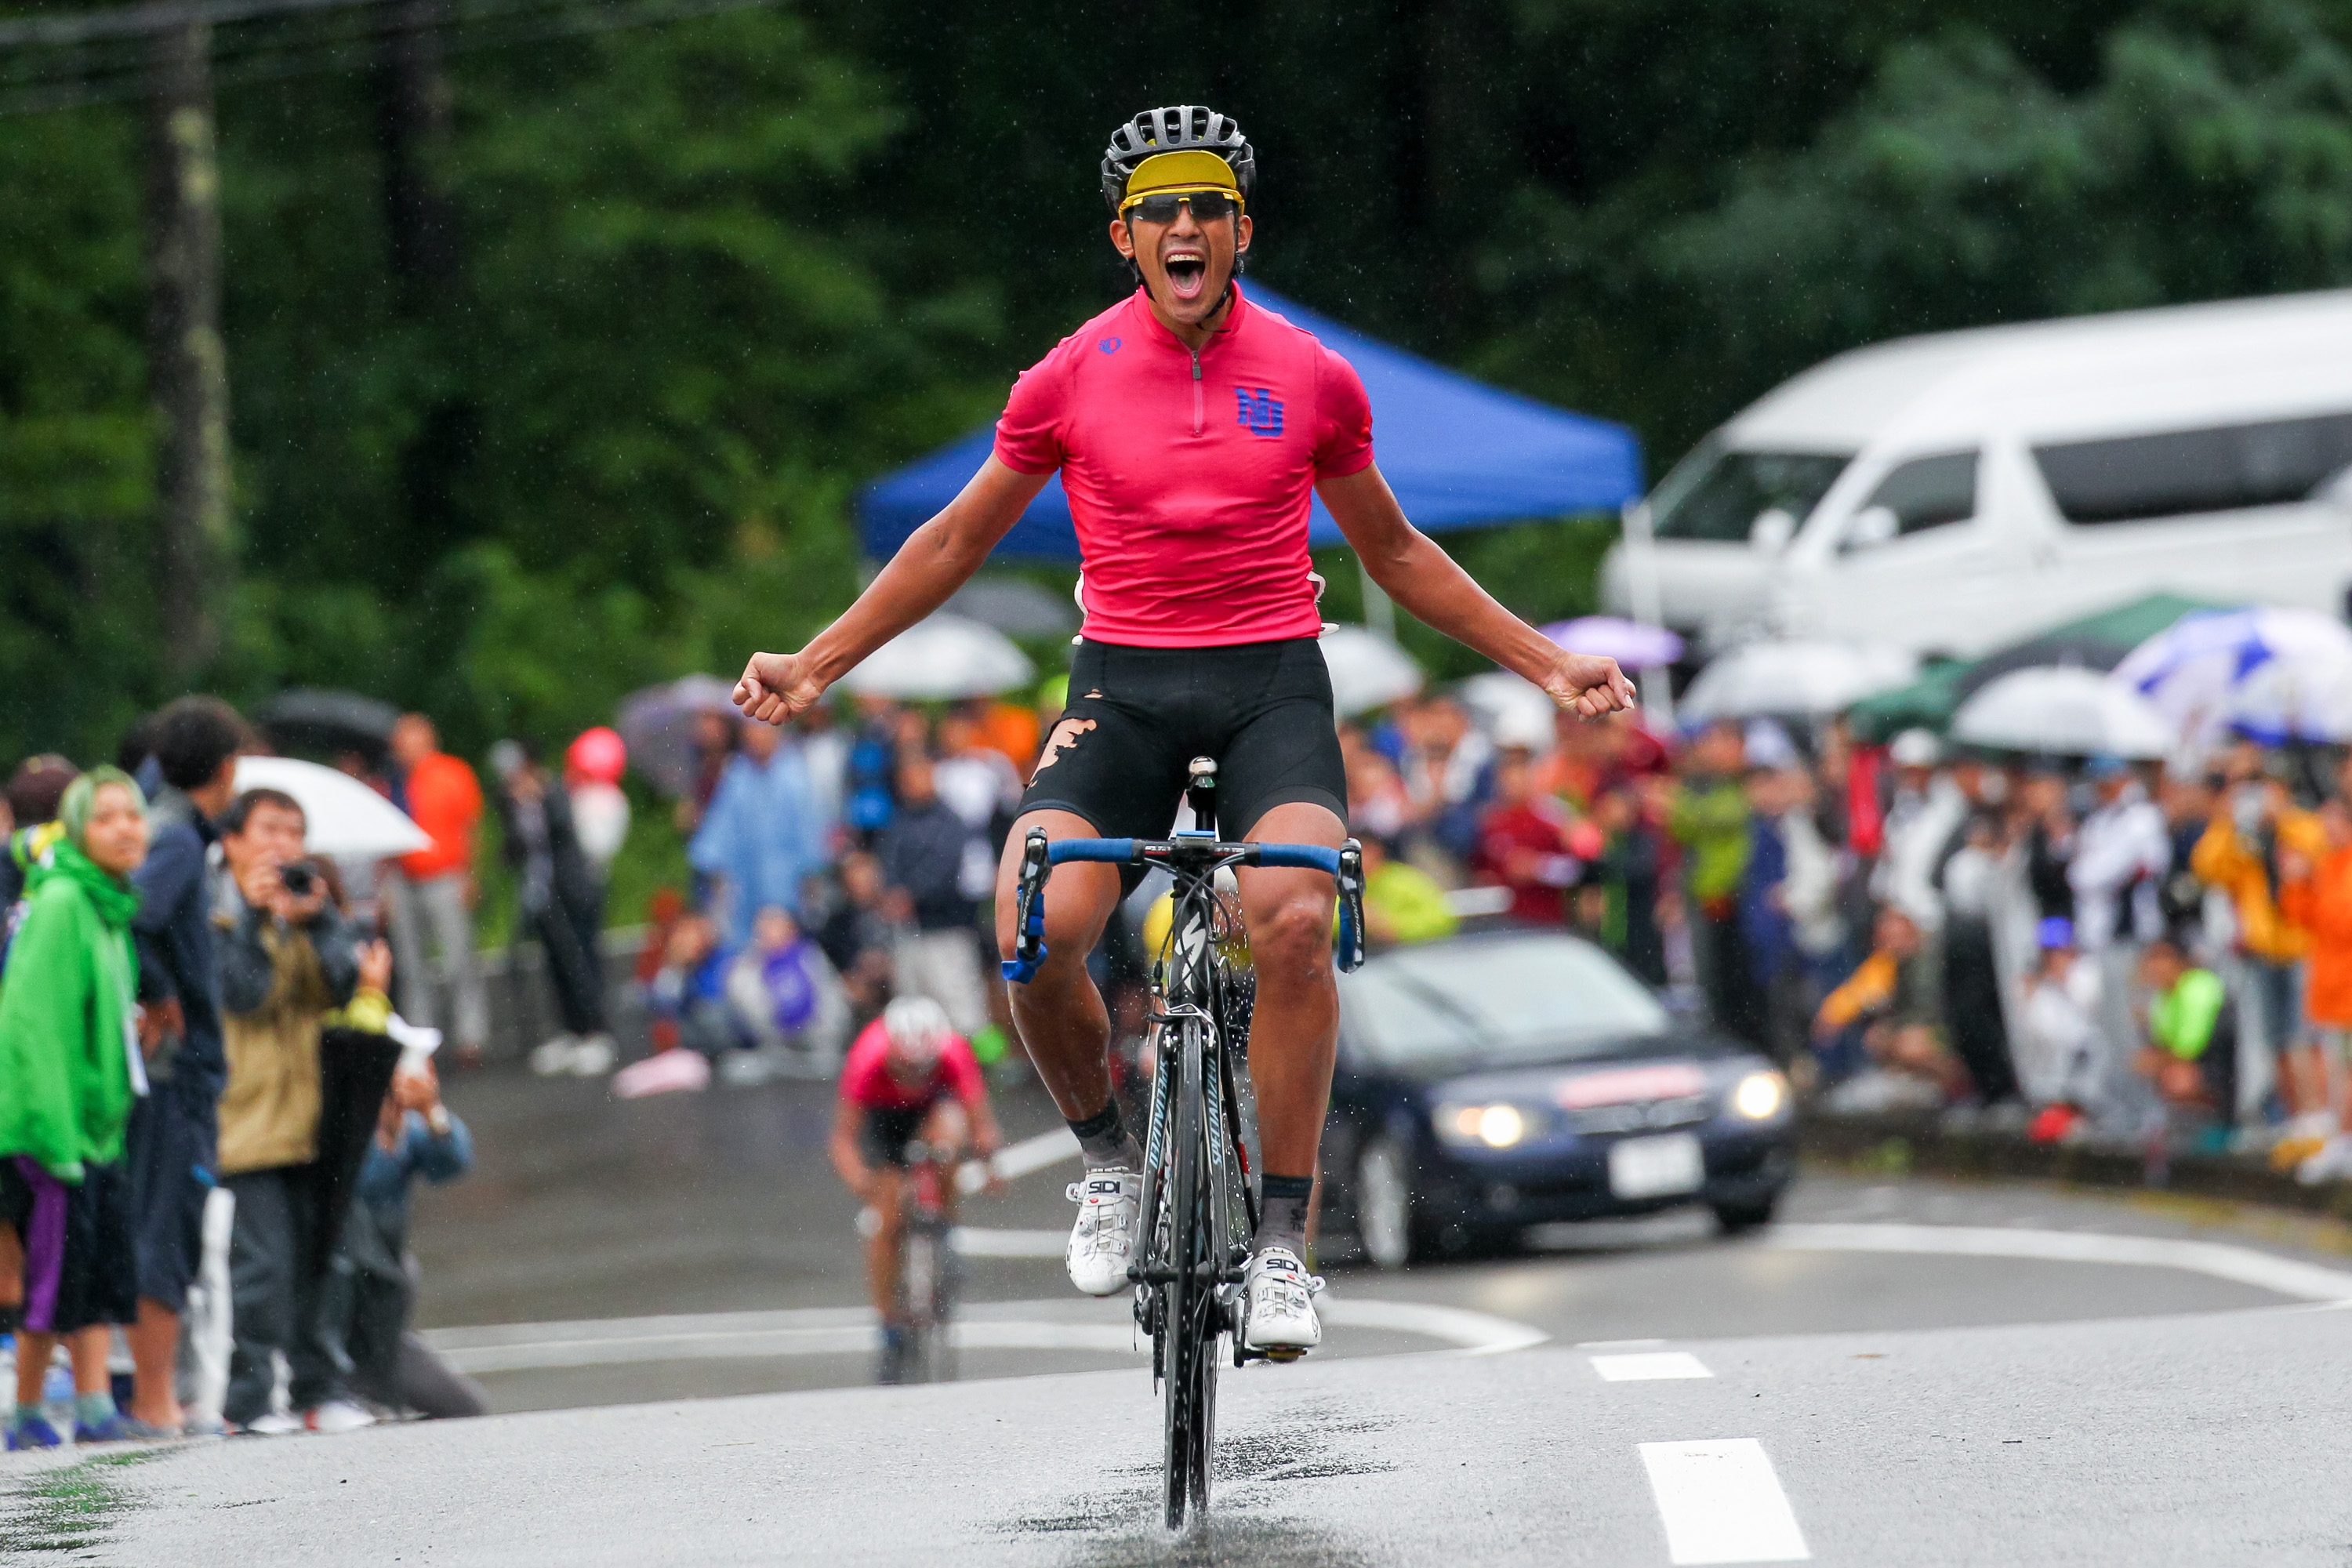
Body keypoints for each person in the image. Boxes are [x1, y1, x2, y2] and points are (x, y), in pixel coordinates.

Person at [735, 104, 1635, 1358]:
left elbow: (1394, 551)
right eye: (1159, 207)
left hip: (1273, 684)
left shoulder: (1312, 375)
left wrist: (1548, 663)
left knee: (1295, 916)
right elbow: (951, 540)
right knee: (1034, 924)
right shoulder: (1070, 374)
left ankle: (1279, 1245)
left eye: (1208, 203)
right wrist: (816, 664)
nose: (1185, 225)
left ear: (1241, 229)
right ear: (1125, 236)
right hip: (1124, 688)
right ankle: (1110, 1161)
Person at [215, 786, 379, 1435]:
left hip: (315, 1117)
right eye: (268, 829)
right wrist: (256, 919)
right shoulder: (215, 916)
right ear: (231, 841)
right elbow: (244, 993)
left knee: (326, 1260)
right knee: (261, 1267)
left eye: (294, 831)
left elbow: (346, 986)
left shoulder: (305, 908)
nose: (283, 844)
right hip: (248, 1121)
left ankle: (321, 1388)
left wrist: (322, 920)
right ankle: (249, 1403)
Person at [0, 770, 150, 1448]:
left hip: (96, 1132)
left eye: (133, 815)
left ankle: (92, 1407)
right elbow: (32, 1026)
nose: (125, 829)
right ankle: (27, 1415)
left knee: (92, 1272)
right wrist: (55, 1137)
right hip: (52, 1131)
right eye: (106, 817)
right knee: (51, 1280)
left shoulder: (108, 904)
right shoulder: (62, 900)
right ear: (79, 829)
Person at [125, 696, 248, 1435]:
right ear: (227, 768)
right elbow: (133, 916)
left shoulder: (160, 821)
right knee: (167, 1228)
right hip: (177, 1072)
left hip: (172, 1074)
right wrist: (164, 993)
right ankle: (155, 1401)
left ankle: (157, 1396)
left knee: (162, 1224)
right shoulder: (175, 842)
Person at [826, 998, 1004, 1384]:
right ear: (891, 1051)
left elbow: (981, 1123)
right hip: (884, 1120)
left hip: (932, 1112)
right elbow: (842, 1141)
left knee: (948, 1138)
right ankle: (888, 1323)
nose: (913, 1075)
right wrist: (863, 1183)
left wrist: (989, 1166)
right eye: (906, 1067)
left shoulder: (953, 1052)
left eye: (922, 1067)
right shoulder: (867, 1060)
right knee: (887, 1222)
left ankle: (946, 1226)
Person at [324, 1062, 486, 1420]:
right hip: (334, 1315)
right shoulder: (334, 1125)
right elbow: (352, 1181)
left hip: (382, 1318)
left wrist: (431, 1111)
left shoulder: (404, 1130)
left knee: (465, 1408)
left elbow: (452, 1163)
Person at [2194, 760, 2325, 1127]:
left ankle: (2320, 1115)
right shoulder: (2244, 834)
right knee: (2277, 1041)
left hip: (2302, 949)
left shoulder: (2301, 824)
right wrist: (2228, 821)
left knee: (2308, 1039)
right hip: (2264, 951)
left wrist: (2279, 820)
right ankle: (2295, 1117)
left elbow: (2318, 853)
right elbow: (2207, 867)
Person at [492, 742, 616, 1078]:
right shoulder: (510, 802)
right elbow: (515, 850)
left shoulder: (555, 792)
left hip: (571, 891)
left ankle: (595, 1031)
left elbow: (564, 834)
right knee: (555, 964)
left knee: (581, 959)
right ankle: (572, 1030)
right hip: (540, 895)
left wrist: (537, 801)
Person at [382, 715, 488, 1068]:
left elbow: (471, 826)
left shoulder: (452, 773)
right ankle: (420, 1040)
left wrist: (470, 876)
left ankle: (470, 1036)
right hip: (403, 877)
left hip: (444, 875)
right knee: (411, 966)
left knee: (458, 958)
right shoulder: (393, 780)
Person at [877, 749, 993, 1040]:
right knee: (912, 1004)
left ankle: (972, 1068)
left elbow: (945, 868)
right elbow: (888, 861)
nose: (912, 783)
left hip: (947, 928)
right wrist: (891, 894)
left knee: (958, 1004)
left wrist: (911, 894)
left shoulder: (949, 820)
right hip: (908, 930)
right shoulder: (900, 821)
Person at [689, 716, 826, 950]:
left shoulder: (794, 773)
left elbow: (809, 834)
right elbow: (720, 831)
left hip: (786, 889)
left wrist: (809, 878)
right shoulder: (737, 774)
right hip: (744, 889)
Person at [1672, 721, 1764, 1048]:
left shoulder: (1747, 780)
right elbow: (1679, 823)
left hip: (1745, 896)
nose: (1714, 751)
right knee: (1717, 983)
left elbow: (1724, 816)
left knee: (1751, 984)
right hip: (1711, 898)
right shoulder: (1700, 784)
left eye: (1722, 742)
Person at [1357, 834, 1456, 947]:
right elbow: (1334, 918)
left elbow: (1441, 917)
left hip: (1409, 953)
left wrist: (1396, 928)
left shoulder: (1406, 881)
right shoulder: (1339, 883)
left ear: (1376, 851)